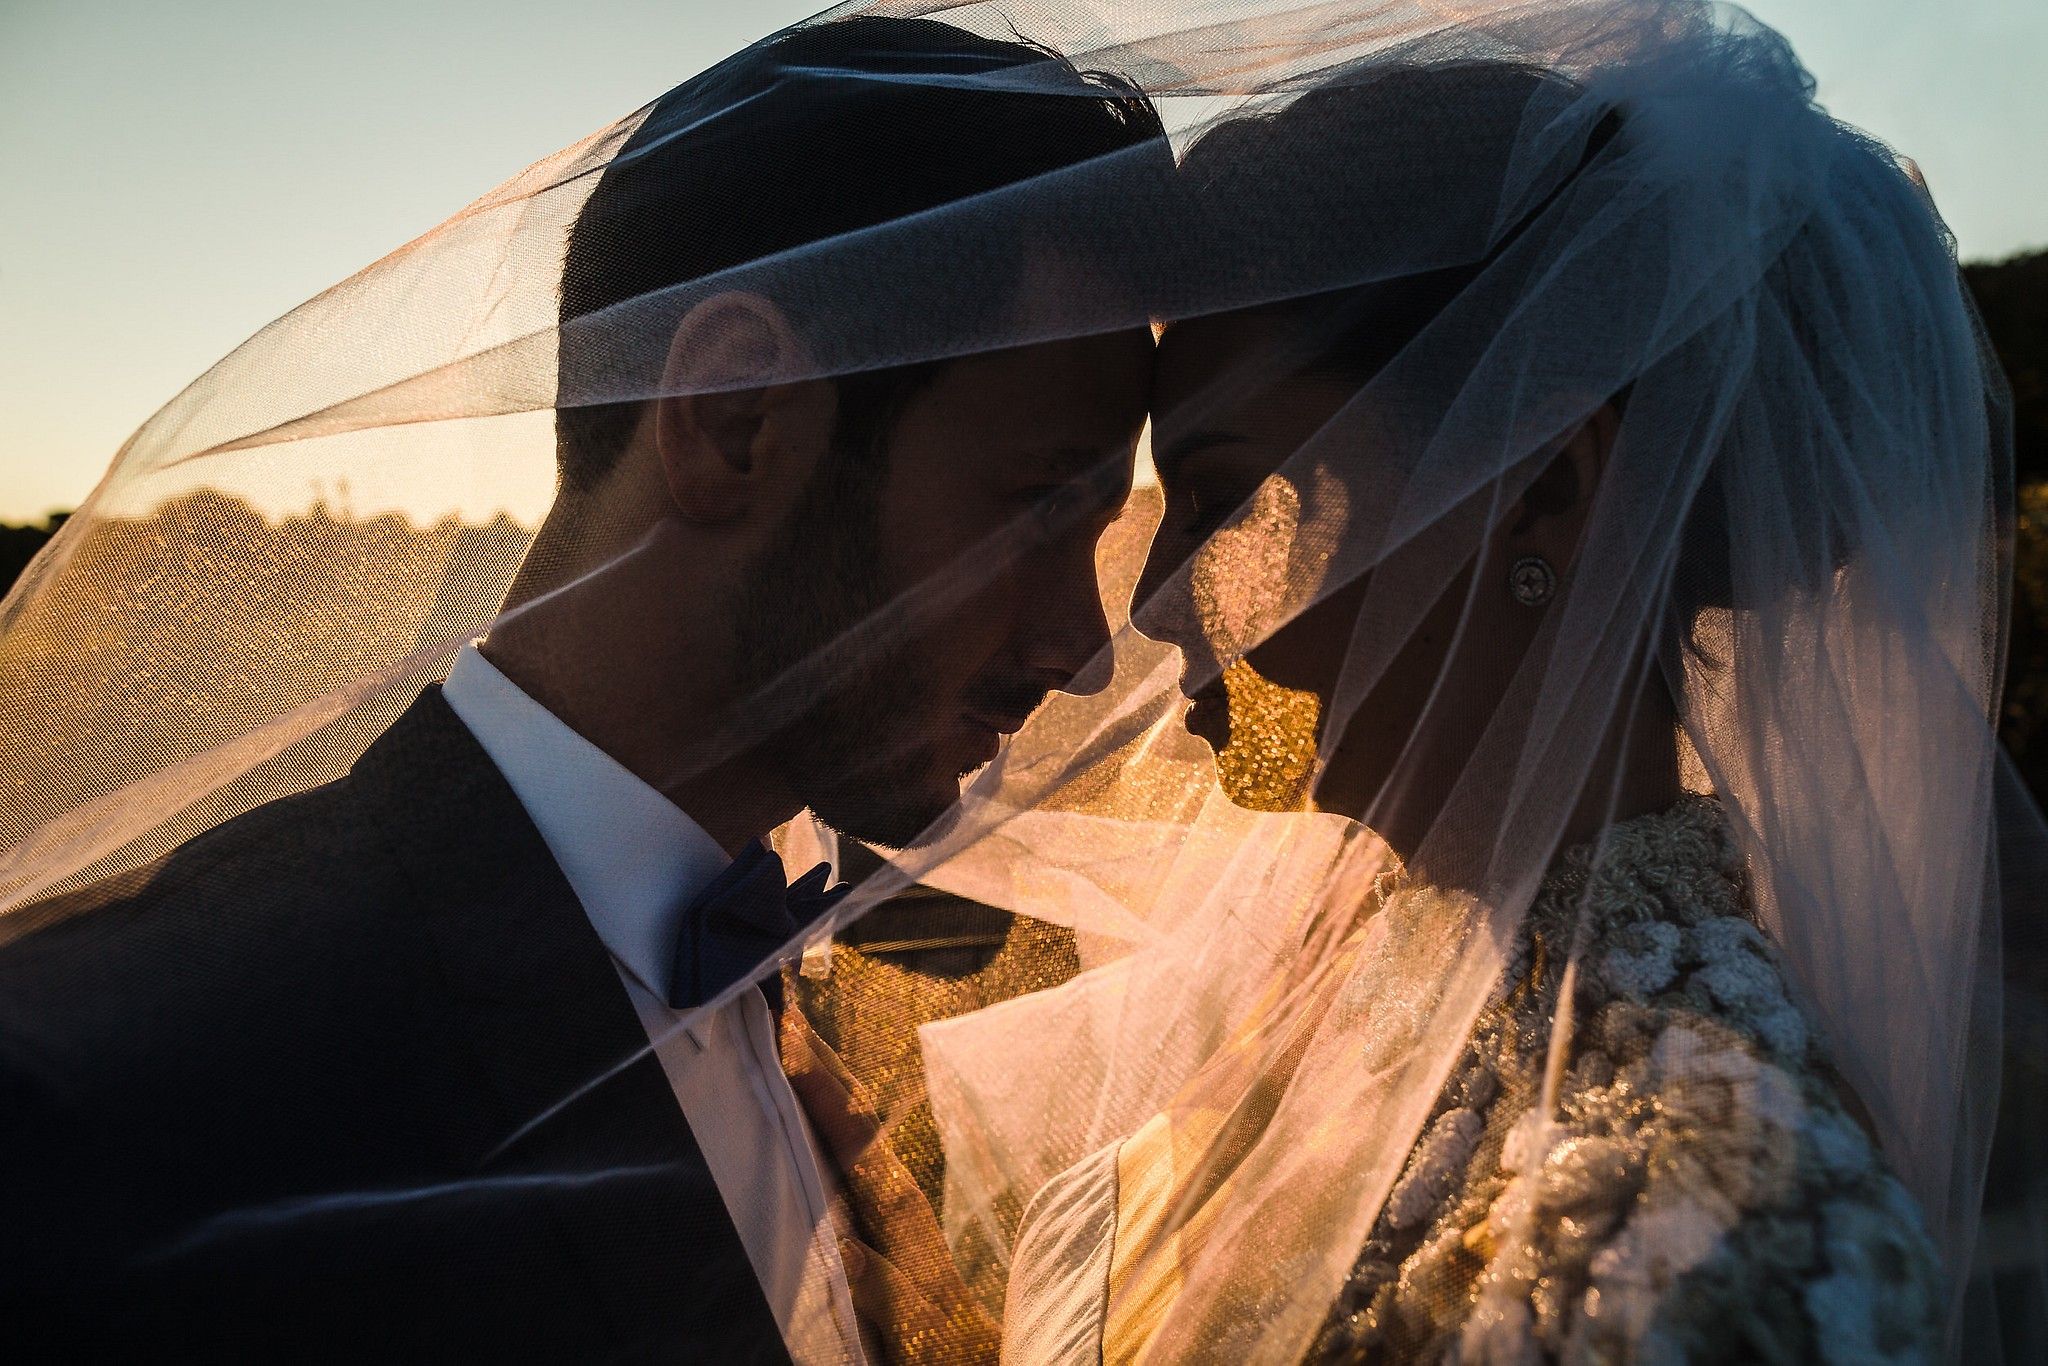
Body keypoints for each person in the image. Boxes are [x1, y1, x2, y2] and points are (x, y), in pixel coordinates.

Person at [0, 15, 1162, 1361]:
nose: (1083, 649)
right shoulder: (108, 1090)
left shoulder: (799, 1034)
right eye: (1036, 511)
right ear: (735, 420)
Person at [958, 21, 2035, 1363]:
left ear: (1548, 491)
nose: (1156, 594)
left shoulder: (1704, 1224)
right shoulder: (1346, 994)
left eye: (1233, 497)